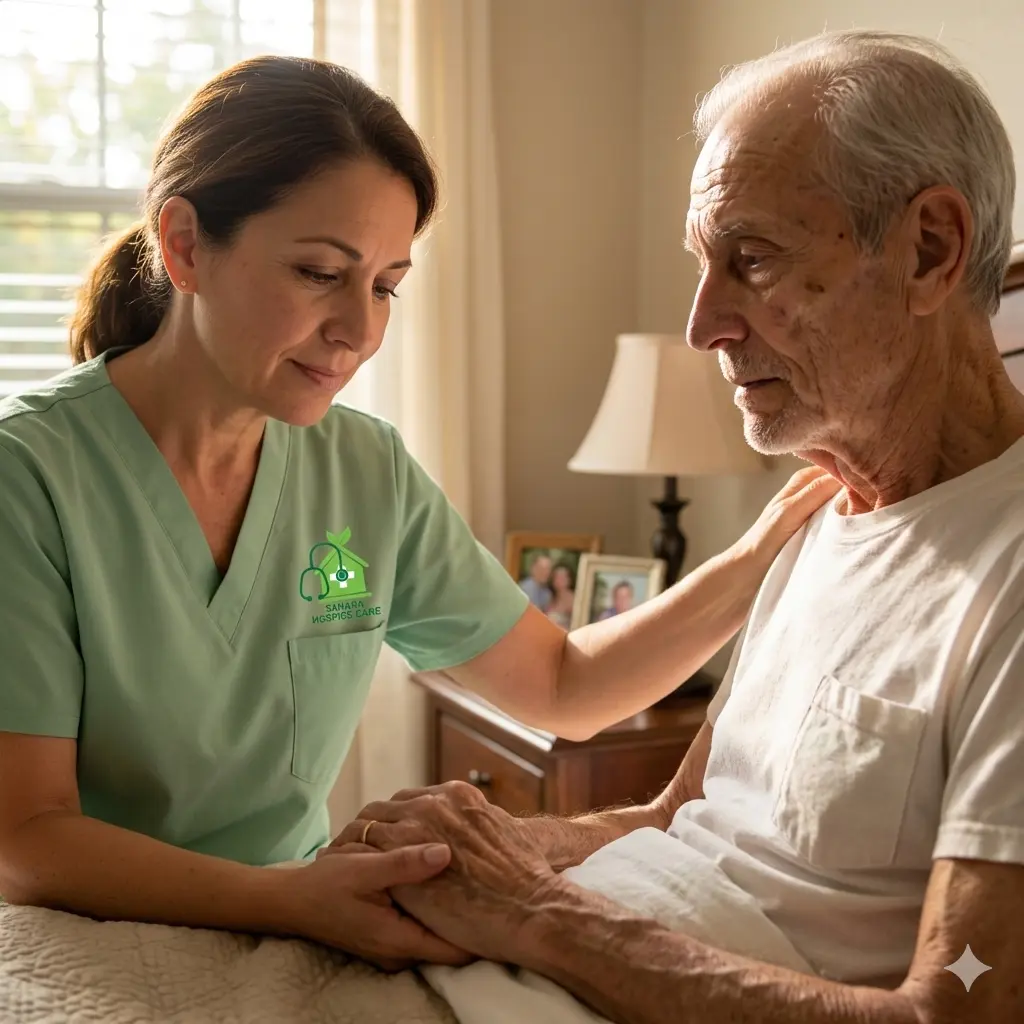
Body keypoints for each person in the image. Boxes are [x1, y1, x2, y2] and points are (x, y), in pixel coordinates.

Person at [0, 56, 837, 971]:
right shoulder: (29, 477)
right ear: (186, 245)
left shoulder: (364, 471)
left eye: (386, 286)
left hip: (279, 938)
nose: (359, 330)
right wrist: (292, 899)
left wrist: (760, 555)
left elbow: (565, 686)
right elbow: (29, 838)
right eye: (321, 272)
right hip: (81, 941)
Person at [332, 31, 1024, 1022]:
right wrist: (472, 850)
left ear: (929, 250)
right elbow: (677, 818)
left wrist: (534, 913)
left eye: (752, 260)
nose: (702, 324)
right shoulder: (817, 513)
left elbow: (960, 1008)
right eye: (706, 265)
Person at [544, 562, 575, 629]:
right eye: (557, 577)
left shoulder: (572, 599)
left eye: (563, 577)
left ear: (569, 580)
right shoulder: (551, 596)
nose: (559, 580)